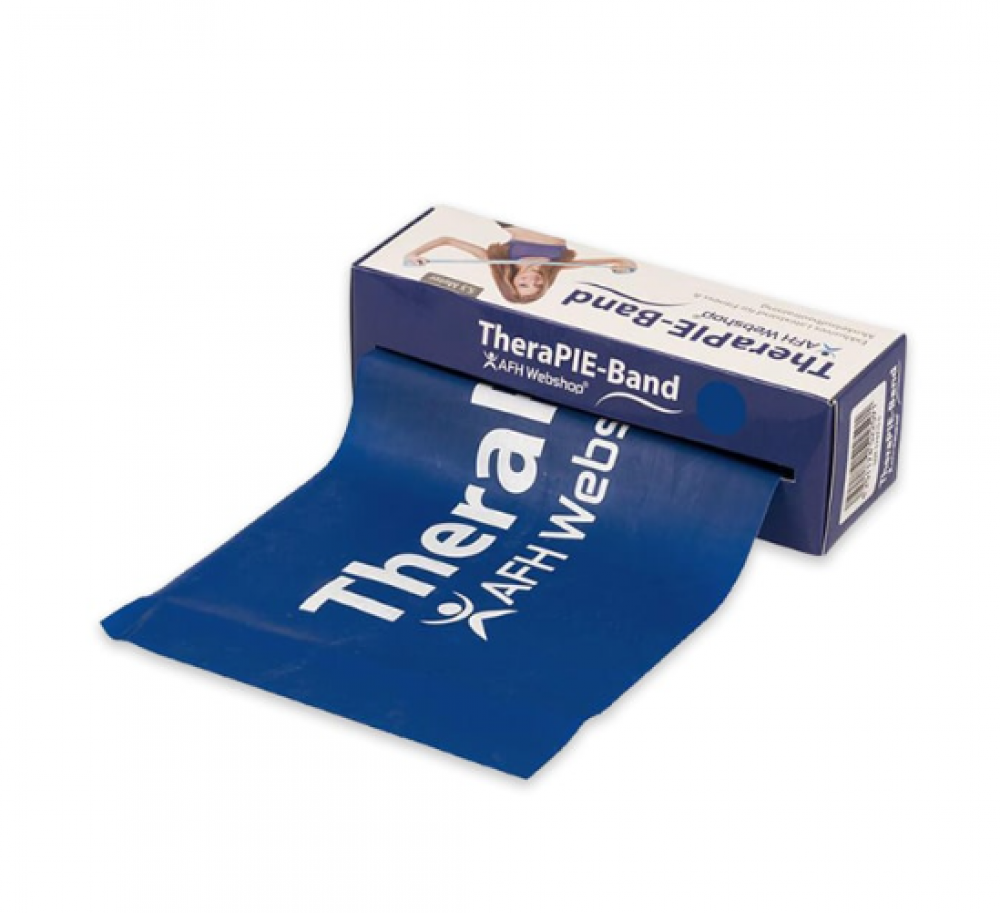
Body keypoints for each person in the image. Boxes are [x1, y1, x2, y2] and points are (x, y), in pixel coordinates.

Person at [404, 222, 637, 304]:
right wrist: (624, 266)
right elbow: (618, 261)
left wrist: (414, 254)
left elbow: (448, 240)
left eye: (523, 284)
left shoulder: (499, 261)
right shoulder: (558, 266)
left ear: (511, 282)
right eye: (537, 286)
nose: (533, 281)